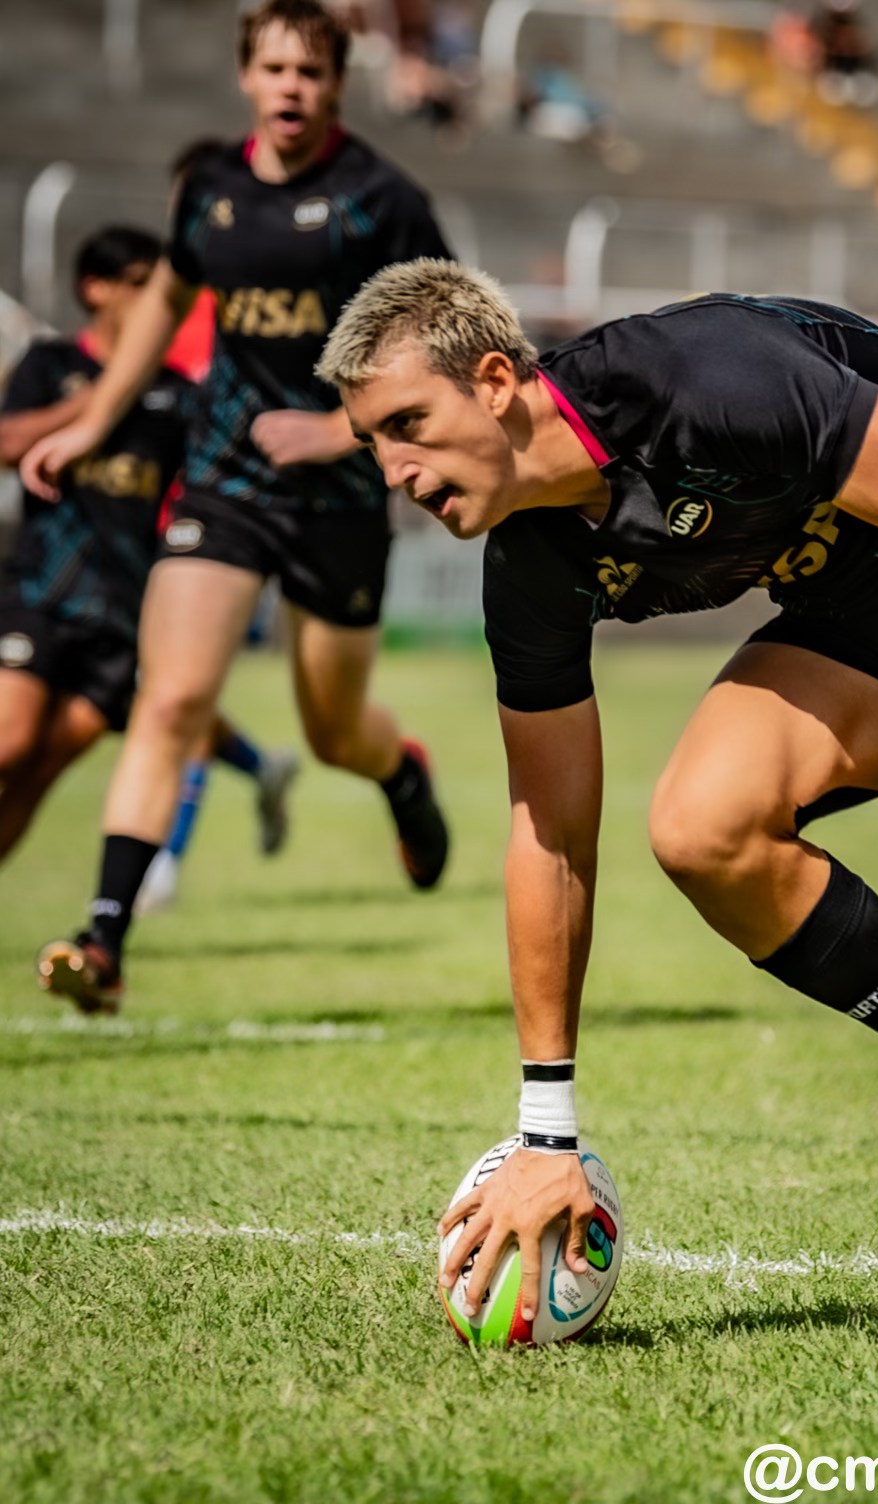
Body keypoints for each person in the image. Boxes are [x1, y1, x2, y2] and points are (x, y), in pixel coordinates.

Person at [320, 260, 878, 1383]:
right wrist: (545, 1130)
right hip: (857, 601)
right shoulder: (532, 560)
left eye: (407, 424)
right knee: (702, 828)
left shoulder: (701, 378)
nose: (394, 471)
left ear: (496, 381)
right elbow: (549, 837)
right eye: (371, 443)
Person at [22, 0, 452, 1015]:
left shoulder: (381, 199)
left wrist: (340, 429)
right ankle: (105, 938)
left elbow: (442, 337)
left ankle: (400, 773)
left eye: (310, 71)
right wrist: (92, 421)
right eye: (274, 68)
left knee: (333, 730)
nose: (291, 87)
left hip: (341, 493)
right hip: (224, 479)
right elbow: (166, 305)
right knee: (170, 699)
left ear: (337, 84)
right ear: (246, 77)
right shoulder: (210, 187)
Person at [0, 227, 291, 874]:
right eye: (137, 284)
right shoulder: (50, 365)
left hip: (124, 614)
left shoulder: (178, 396)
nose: (155, 300)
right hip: (40, 593)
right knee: (9, 743)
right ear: (94, 289)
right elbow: (9, 444)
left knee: (42, 769)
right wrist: (102, 400)